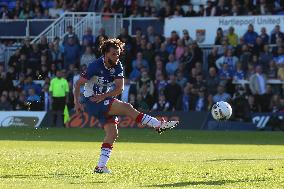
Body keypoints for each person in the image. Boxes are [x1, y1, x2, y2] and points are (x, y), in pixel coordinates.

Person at [74, 38, 178, 174]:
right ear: (105, 54)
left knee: (112, 133)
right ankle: (158, 125)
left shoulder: (117, 66)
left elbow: (119, 89)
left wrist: (104, 96)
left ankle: (100, 167)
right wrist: (77, 102)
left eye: (118, 54)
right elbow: (78, 84)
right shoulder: (95, 66)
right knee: (127, 108)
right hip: (92, 101)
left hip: (103, 99)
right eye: (113, 54)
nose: (116, 57)